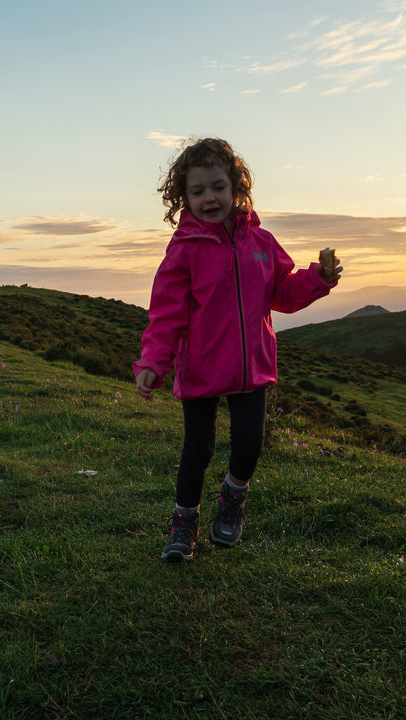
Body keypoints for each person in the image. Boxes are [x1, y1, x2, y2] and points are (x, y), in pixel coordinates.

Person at [133, 137, 342, 562]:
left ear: (236, 188)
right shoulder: (184, 251)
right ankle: (184, 522)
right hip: (202, 368)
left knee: (249, 444)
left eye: (217, 187)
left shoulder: (261, 242)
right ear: (183, 197)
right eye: (197, 191)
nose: (209, 198)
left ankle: (232, 497)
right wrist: (153, 361)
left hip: (253, 367)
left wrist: (318, 277)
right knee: (198, 450)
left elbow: (283, 292)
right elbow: (167, 314)